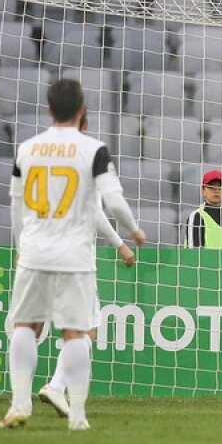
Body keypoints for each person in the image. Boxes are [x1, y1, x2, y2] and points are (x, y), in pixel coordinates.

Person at [0, 79, 145, 432]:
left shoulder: (27, 149)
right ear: (82, 109)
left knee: (25, 326)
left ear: (49, 109)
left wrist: (22, 247)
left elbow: (16, 206)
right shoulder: (93, 150)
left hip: (34, 252)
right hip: (75, 257)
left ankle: (19, 405)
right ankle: (77, 416)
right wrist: (133, 231)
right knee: (77, 333)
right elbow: (113, 202)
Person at [37, 111, 140, 419]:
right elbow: (95, 213)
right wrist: (122, 243)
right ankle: (55, 387)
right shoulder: (87, 157)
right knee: (85, 330)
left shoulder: (43, 155)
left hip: (45, 249)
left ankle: (46, 392)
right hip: (75, 255)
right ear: (83, 125)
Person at [184, 169, 222, 249]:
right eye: (211, 187)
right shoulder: (197, 216)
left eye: (220, 187)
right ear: (202, 191)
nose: (216, 190)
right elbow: (193, 254)